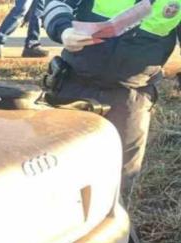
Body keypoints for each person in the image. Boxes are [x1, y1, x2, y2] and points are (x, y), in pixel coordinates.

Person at [41, 0, 181, 199]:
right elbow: (56, 3)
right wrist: (63, 29)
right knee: (52, 169)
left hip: (131, 98)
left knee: (119, 181)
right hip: (74, 86)